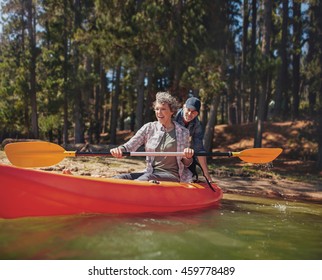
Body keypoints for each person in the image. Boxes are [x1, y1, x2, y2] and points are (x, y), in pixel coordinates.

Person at [110, 92, 194, 182]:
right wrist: (120, 149)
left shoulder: (183, 132)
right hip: (150, 172)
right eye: (157, 109)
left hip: (171, 175)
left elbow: (186, 163)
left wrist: (188, 157)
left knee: (144, 179)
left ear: (171, 111)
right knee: (118, 178)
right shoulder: (149, 127)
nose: (159, 112)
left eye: (163, 109)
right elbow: (130, 145)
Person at [175, 96, 213, 183]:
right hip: (167, 151)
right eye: (188, 109)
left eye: (193, 112)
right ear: (184, 107)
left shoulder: (197, 125)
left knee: (194, 170)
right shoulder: (172, 116)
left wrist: (206, 173)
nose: (189, 114)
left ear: (197, 114)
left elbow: (199, 149)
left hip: (183, 153)